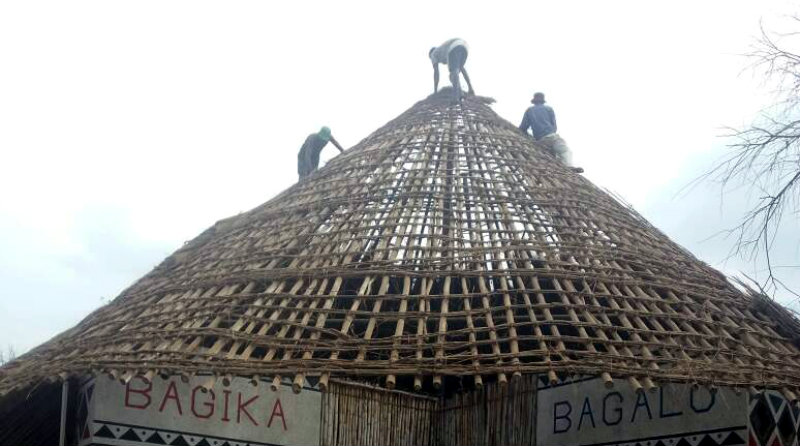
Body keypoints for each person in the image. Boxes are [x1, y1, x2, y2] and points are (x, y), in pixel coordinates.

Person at [519, 92, 583, 173]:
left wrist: (529, 136)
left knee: (551, 155)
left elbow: (523, 127)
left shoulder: (529, 110)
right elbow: (554, 126)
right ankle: (568, 166)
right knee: (564, 150)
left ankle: (555, 168)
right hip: (551, 136)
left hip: (540, 140)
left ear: (534, 101)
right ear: (543, 101)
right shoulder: (549, 109)